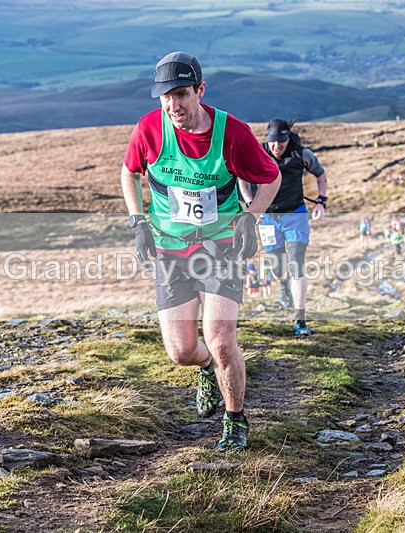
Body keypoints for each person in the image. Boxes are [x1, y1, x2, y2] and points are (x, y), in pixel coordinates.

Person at [121, 51, 281, 451]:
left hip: (220, 247)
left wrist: (250, 217)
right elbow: (129, 172)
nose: (173, 105)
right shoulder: (149, 130)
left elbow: (271, 177)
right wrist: (137, 220)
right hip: (171, 251)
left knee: (222, 338)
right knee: (182, 351)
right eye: (165, 97)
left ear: (200, 91)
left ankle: (235, 419)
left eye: (181, 94)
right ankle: (206, 366)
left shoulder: (232, 133)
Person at [239, 117, 328, 337]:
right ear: (267, 139)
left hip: (295, 215)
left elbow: (321, 174)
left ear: (288, 138)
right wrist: (251, 205)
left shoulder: (301, 154)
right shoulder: (258, 153)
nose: (276, 146)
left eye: (281, 141)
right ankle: (282, 283)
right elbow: (241, 178)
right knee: (278, 266)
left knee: (296, 263)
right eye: (272, 142)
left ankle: (300, 319)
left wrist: (320, 201)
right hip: (268, 218)